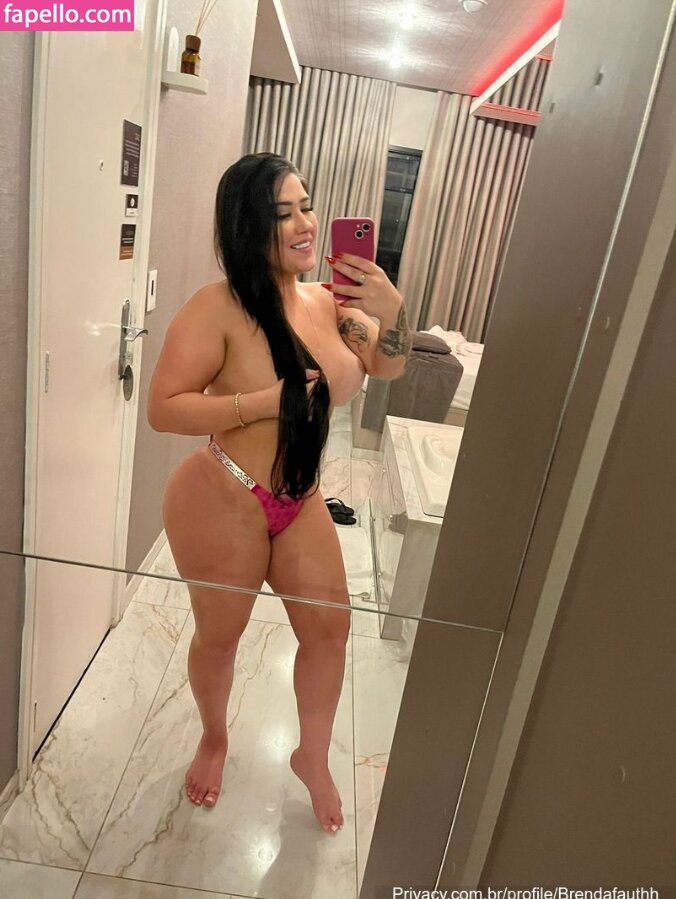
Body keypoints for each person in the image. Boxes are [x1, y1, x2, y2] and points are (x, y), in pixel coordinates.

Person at [147, 152, 411, 834]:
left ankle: (311, 755)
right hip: (222, 495)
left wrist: (393, 310)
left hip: (300, 499)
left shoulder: (330, 304)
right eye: (281, 213)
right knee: (220, 637)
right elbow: (163, 408)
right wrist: (261, 403)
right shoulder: (219, 307)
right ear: (247, 226)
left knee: (330, 630)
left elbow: (388, 365)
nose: (303, 224)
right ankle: (214, 737)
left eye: (306, 206)